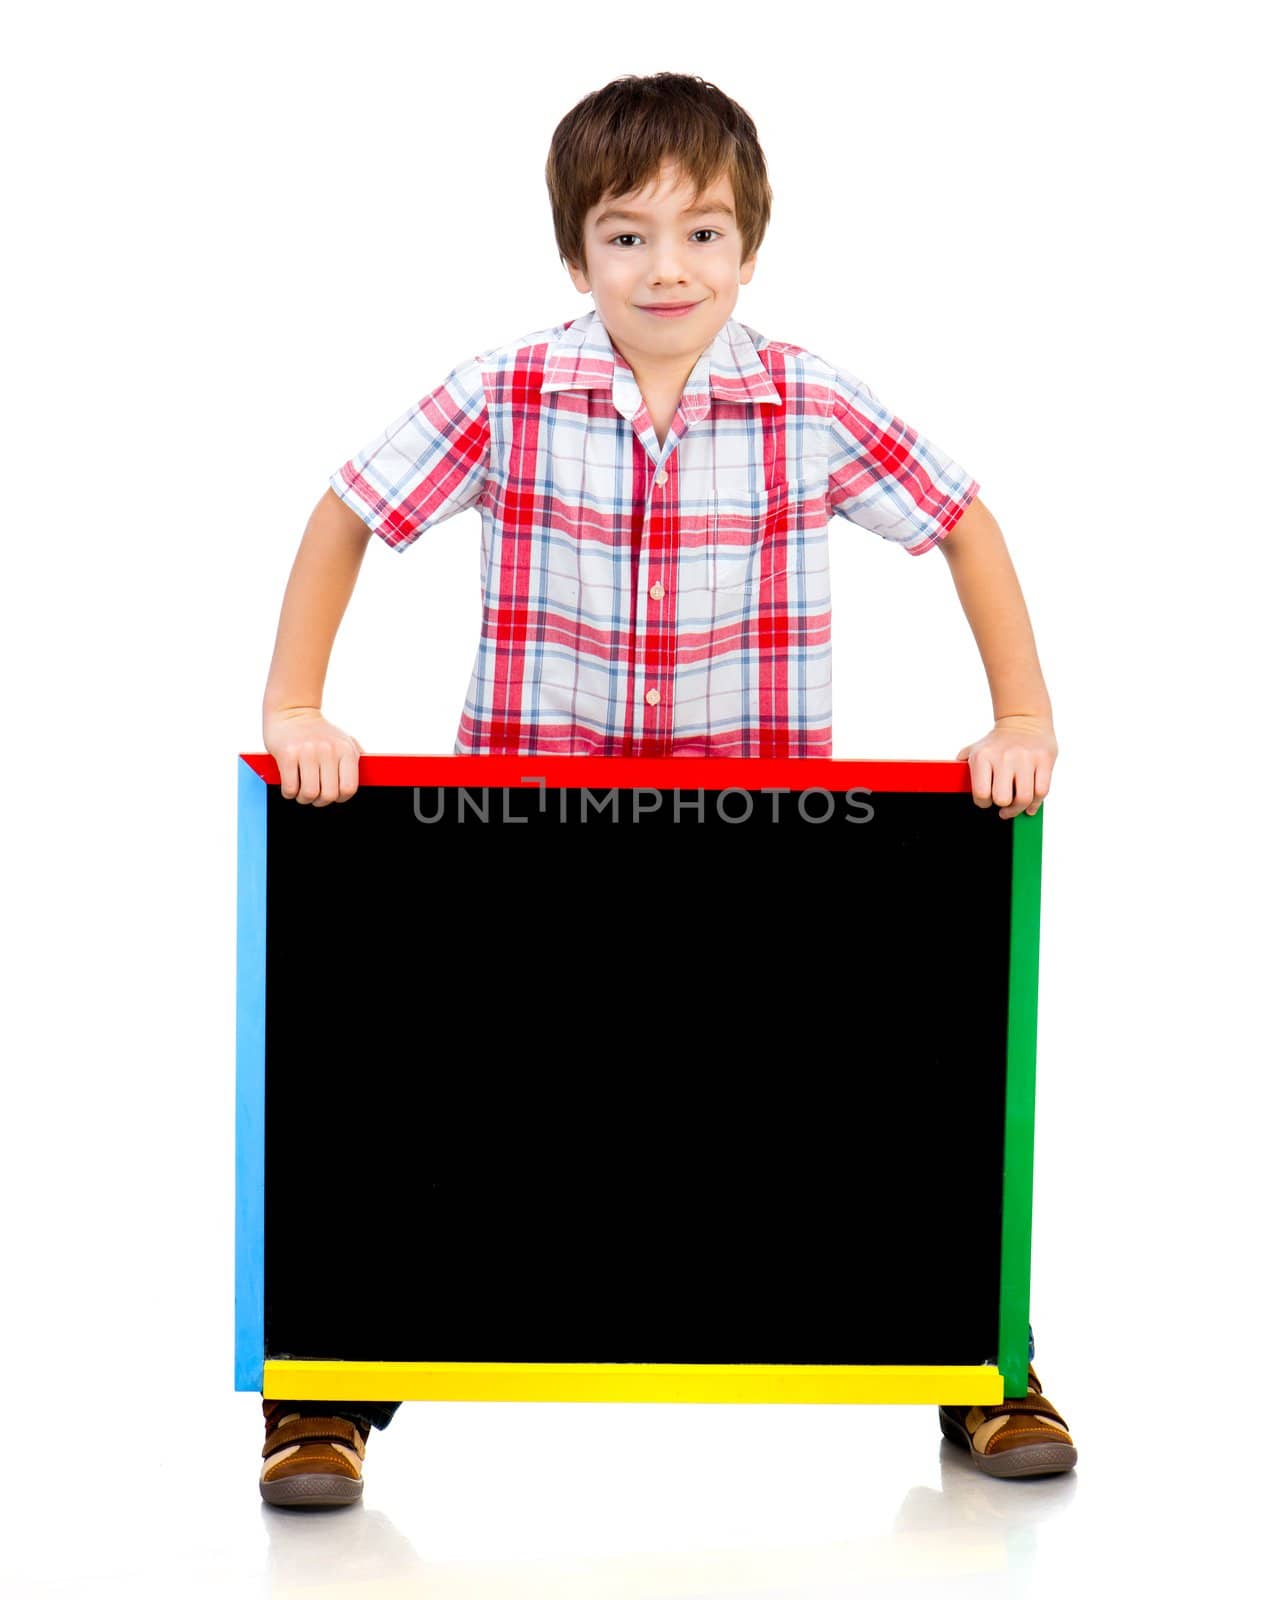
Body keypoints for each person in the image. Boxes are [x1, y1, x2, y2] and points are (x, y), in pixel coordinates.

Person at [257, 71, 1074, 1507]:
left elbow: (960, 521)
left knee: (864, 1091)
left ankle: (983, 1371)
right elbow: (348, 511)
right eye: (626, 236)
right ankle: (326, 1393)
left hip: (757, 832)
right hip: (527, 825)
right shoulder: (509, 389)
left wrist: (1021, 715)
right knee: (442, 1092)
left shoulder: (806, 397)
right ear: (575, 255)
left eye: (701, 234)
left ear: (750, 245)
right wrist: (296, 704)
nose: (667, 268)